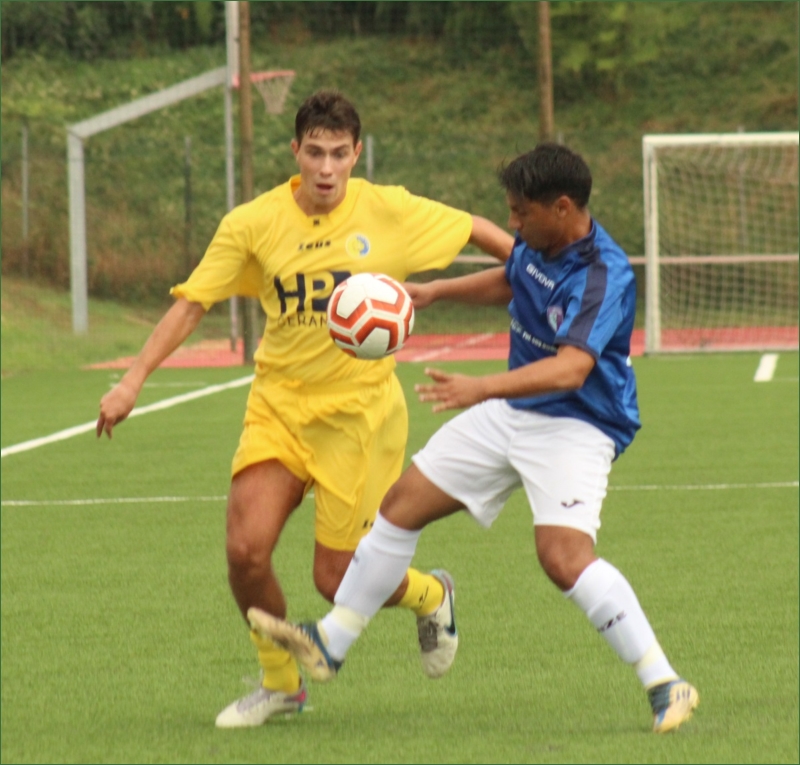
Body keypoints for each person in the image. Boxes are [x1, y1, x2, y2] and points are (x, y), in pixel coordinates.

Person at [95, 89, 514, 728]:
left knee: (336, 580)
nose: (325, 167)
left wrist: (542, 270)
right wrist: (133, 379)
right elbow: (193, 302)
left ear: (356, 154)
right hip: (280, 407)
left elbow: (477, 228)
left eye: (338, 154)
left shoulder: (390, 209)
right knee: (245, 552)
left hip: (360, 417)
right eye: (314, 152)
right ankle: (281, 682)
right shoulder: (253, 223)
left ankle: (433, 592)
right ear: (295, 151)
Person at [248, 143, 700, 734]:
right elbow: (512, 281)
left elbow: (571, 369)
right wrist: (437, 292)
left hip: (576, 424)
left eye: (521, 212)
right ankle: (332, 641)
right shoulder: (540, 244)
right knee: (400, 506)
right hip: (512, 409)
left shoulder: (602, 274)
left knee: (562, 558)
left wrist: (481, 387)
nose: (511, 223)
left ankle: (665, 682)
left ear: (563, 208)